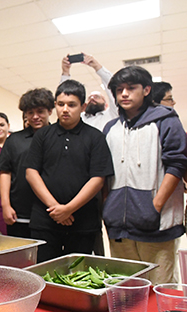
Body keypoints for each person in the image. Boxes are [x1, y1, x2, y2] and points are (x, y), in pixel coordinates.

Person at [103, 66, 187, 284]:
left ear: (147, 90)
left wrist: (155, 206)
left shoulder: (166, 121)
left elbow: (176, 165)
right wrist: (108, 208)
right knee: (125, 290)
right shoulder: (111, 128)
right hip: (119, 229)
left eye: (131, 88)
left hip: (157, 227)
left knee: (159, 290)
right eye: (119, 89)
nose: (124, 94)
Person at [25, 80, 114, 263]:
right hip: (45, 220)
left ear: (82, 107)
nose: (65, 109)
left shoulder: (95, 137)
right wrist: (56, 208)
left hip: (83, 222)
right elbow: (31, 173)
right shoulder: (42, 135)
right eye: (60, 104)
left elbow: (98, 179)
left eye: (72, 105)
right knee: (44, 273)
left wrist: (68, 209)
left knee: (78, 276)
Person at [0, 88, 54, 238]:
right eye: (30, 113)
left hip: (52, 212)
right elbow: (5, 172)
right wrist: (5, 205)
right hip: (19, 213)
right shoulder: (14, 140)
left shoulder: (59, 137)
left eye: (40, 111)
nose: (35, 117)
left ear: (50, 111)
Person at [61, 53, 117, 131]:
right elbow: (64, 97)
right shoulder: (79, 118)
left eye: (97, 97)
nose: (92, 98)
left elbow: (113, 88)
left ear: (106, 105)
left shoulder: (111, 115)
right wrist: (65, 72)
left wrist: (97, 67)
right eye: (90, 97)